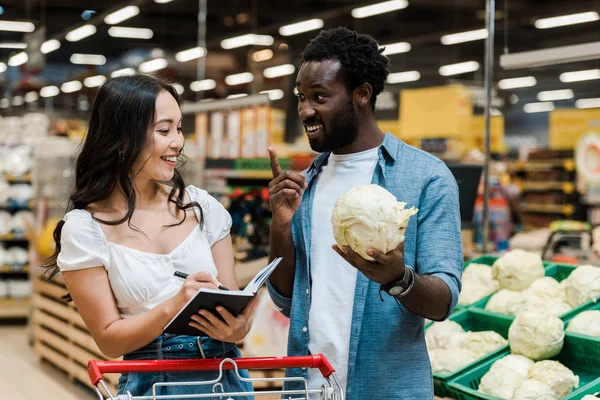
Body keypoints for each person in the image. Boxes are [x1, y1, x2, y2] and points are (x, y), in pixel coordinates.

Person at [266, 27, 463, 399]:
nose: (305, 110)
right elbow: (286, 300)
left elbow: (444, 300)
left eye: (320, 97)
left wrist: (399, 279)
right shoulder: (305, 183)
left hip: (385, 389)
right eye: (301, 97)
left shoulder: (426, 178)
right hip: (307, 389)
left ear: (361, 95)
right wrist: (281, 226)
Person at [42, 75, 257, 399]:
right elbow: (109, 340)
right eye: (164, 130)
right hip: (151, 384)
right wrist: (174, 304)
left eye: (179, 128)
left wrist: (236, 327)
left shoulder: (202, 208)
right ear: (124, 137)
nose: (178, 142)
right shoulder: (85, 229)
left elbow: (238, 314)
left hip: (223, 382)